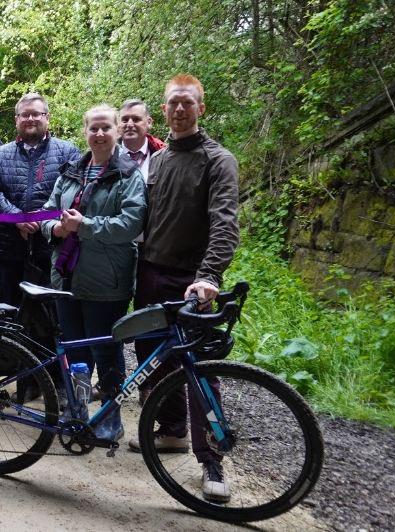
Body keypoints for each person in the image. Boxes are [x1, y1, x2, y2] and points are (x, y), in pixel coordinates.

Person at [126, 74, 240, 504]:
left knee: (199, 370)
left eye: (187, 103)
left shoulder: (218, 160)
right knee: (153, 357)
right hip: (151, 274)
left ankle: (212, 460)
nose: (179, 110)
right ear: (165, 108)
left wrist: (210, 275)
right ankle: (171, 431)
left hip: (193, 280)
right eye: (173, 103)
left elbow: (226, 224)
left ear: (200, 109)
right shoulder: (157, 159)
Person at [40, 104, 146, 440]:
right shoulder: (72, 170)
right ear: (84, 131)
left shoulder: (128, 175)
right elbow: (47, 212)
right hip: (67, 278)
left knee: (107, 351)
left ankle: (109, 420)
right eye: (93, 129)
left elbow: (130, 225)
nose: (99, 135)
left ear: (116, 130)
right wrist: (53, 230)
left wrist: (84, 226)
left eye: (105, 128)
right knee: (74, 350)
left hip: (107, 281)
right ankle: (77, 412)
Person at [0, 93, 80, 306]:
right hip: (11, 250)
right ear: (16, 119)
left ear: (47, 117)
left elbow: (75, 195)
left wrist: (43, 218)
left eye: (36, 114)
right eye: (24, 115)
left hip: (54, 250)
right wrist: (16, 217)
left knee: (52, 316)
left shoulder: (68, 152)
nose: (30, 119)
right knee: (12, 313)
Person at [117, 99, 166, 182]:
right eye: (125, 120)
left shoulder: (163, 155)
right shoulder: (108, 156)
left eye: (136, 119)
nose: (129, 124)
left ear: (149, 122)